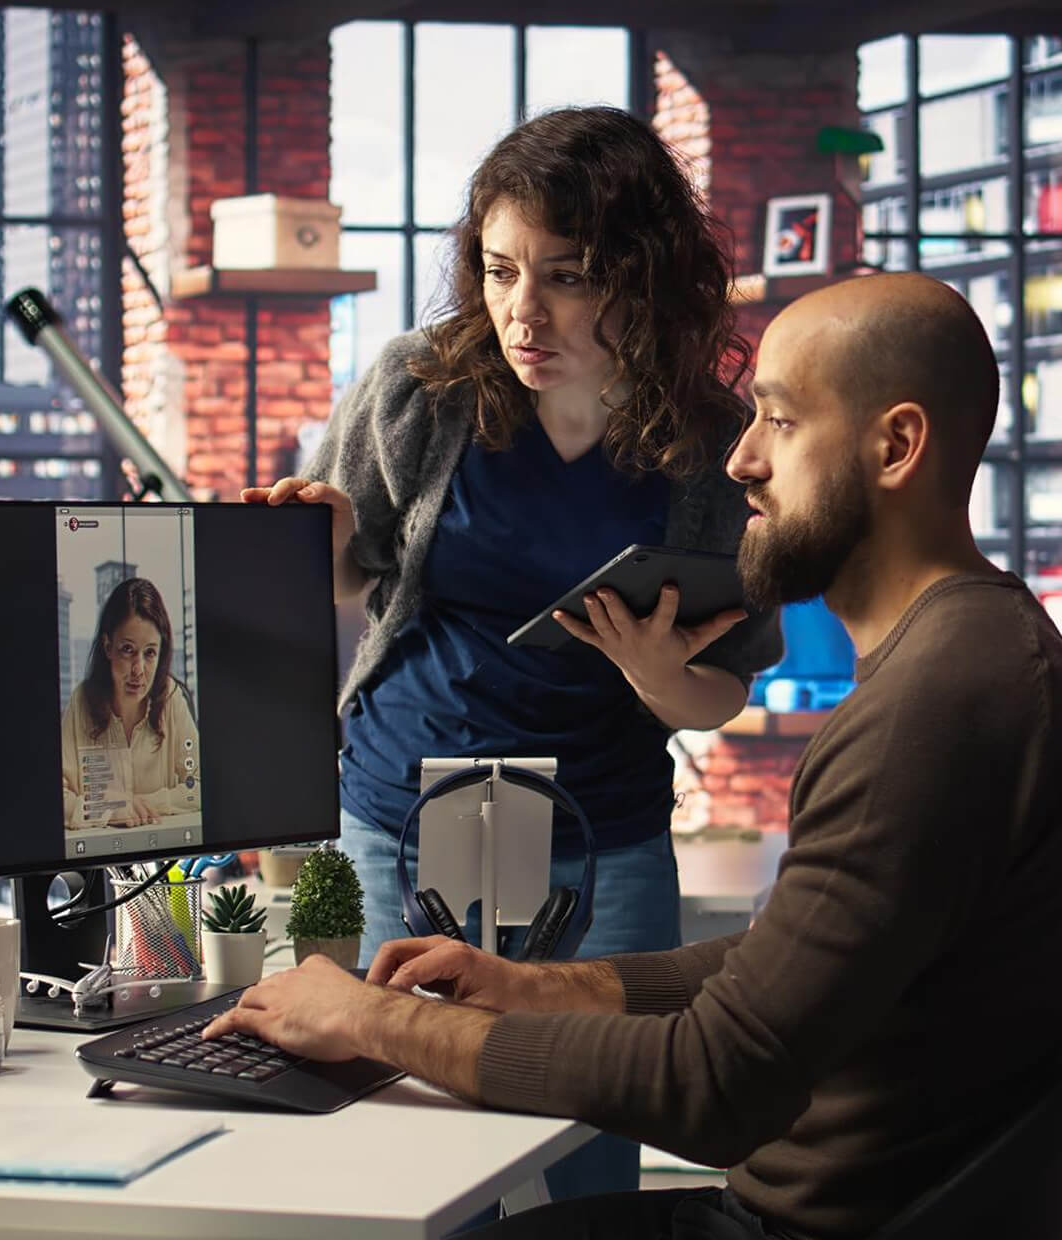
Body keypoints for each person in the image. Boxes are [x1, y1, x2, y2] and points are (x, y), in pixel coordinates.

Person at [208, 272, 1062, 1239]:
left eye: (778, 423)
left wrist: (374, 1021)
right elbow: (786, 965)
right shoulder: (975, 658)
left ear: (896, 446)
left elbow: (715, 1083)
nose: (740, 463)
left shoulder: (936, 709)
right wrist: (534, 986)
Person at [243, 105, 782, 1200]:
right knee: (399, 1132)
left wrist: (656, 676)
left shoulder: (711, 443)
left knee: (593, 1138)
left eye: (567, 277)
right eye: (496, 272)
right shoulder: (417, 387)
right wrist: (335, 547)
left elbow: (724, 688)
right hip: (402, 812)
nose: (519, 314)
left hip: (601, 835)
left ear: (644, 278)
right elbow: (355, 585)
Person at [61, 576, 200, 831]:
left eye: (149, 653)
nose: (139, 670)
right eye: (127, 649)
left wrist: (142, 805)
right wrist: (111, 809)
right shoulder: (82, 700)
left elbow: (201, 786)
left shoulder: (171, 697)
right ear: (107, 647)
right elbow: (58, 798)